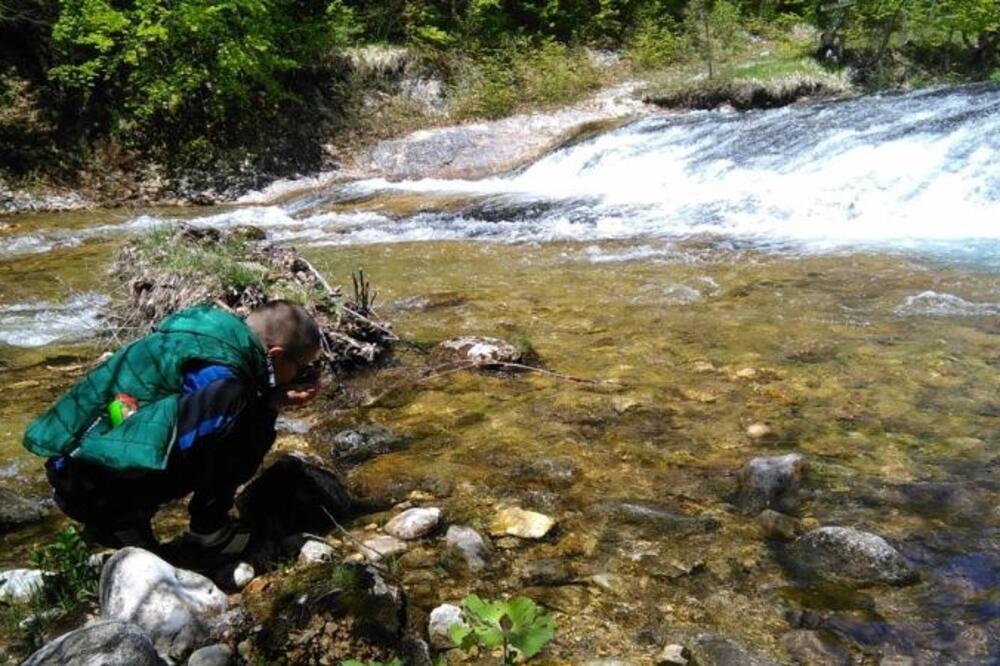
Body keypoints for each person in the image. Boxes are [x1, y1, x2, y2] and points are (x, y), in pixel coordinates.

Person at [22, 301, 321, 557]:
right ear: (276, 355)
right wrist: (268, 408)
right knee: (243, 429)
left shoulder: (202, 332)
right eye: (301, 367)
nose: (301, 375)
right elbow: (210, 448)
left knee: (217, 417)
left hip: (70, 465)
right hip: (90, 488)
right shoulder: (227, 384)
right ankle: (206, 531)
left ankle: (120, 518)